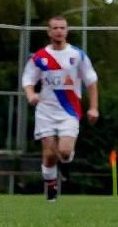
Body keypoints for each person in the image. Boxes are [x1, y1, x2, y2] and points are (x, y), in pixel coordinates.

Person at [19, 16, 98, 201]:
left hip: (69, 111)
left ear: (67, 31)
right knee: (48, 153)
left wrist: (93, 108)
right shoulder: (40, 57)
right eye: (55, 28)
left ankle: (66, 164)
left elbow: (91, 81)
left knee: (64, 151)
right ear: (49, 32)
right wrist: (31, 95)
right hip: (45, 110)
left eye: (62, 28)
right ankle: (51, 188)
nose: (59, 31)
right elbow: (28, 79)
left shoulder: (77, 55)